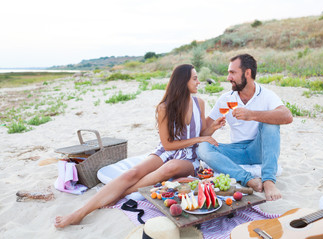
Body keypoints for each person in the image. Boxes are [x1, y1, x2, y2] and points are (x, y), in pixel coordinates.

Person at [55, 64, 222, 228]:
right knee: (132, 173)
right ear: (182, 82)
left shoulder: (199, 103)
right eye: (195, 78)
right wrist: (199, 139)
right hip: (167, 151)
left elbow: (201, 134)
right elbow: (167, 145)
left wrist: (212, 128)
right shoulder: (164, 108)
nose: (198, 82)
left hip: (189, 157)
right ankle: (79, 213)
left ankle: (121, 193)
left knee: (167, 169)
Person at [197, 54, 293, 201]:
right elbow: (203, 132)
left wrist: (252, 115)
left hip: (258, 149)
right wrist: (213, 128)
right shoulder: (226, 99)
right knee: (202, 147)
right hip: (236, 151)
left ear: (247, 73)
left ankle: (268, 181)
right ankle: (248, 179)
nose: (228, 77)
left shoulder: (267, 95)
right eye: (229, 73)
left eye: (232, 73)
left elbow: (287, 116)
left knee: (271, 123)